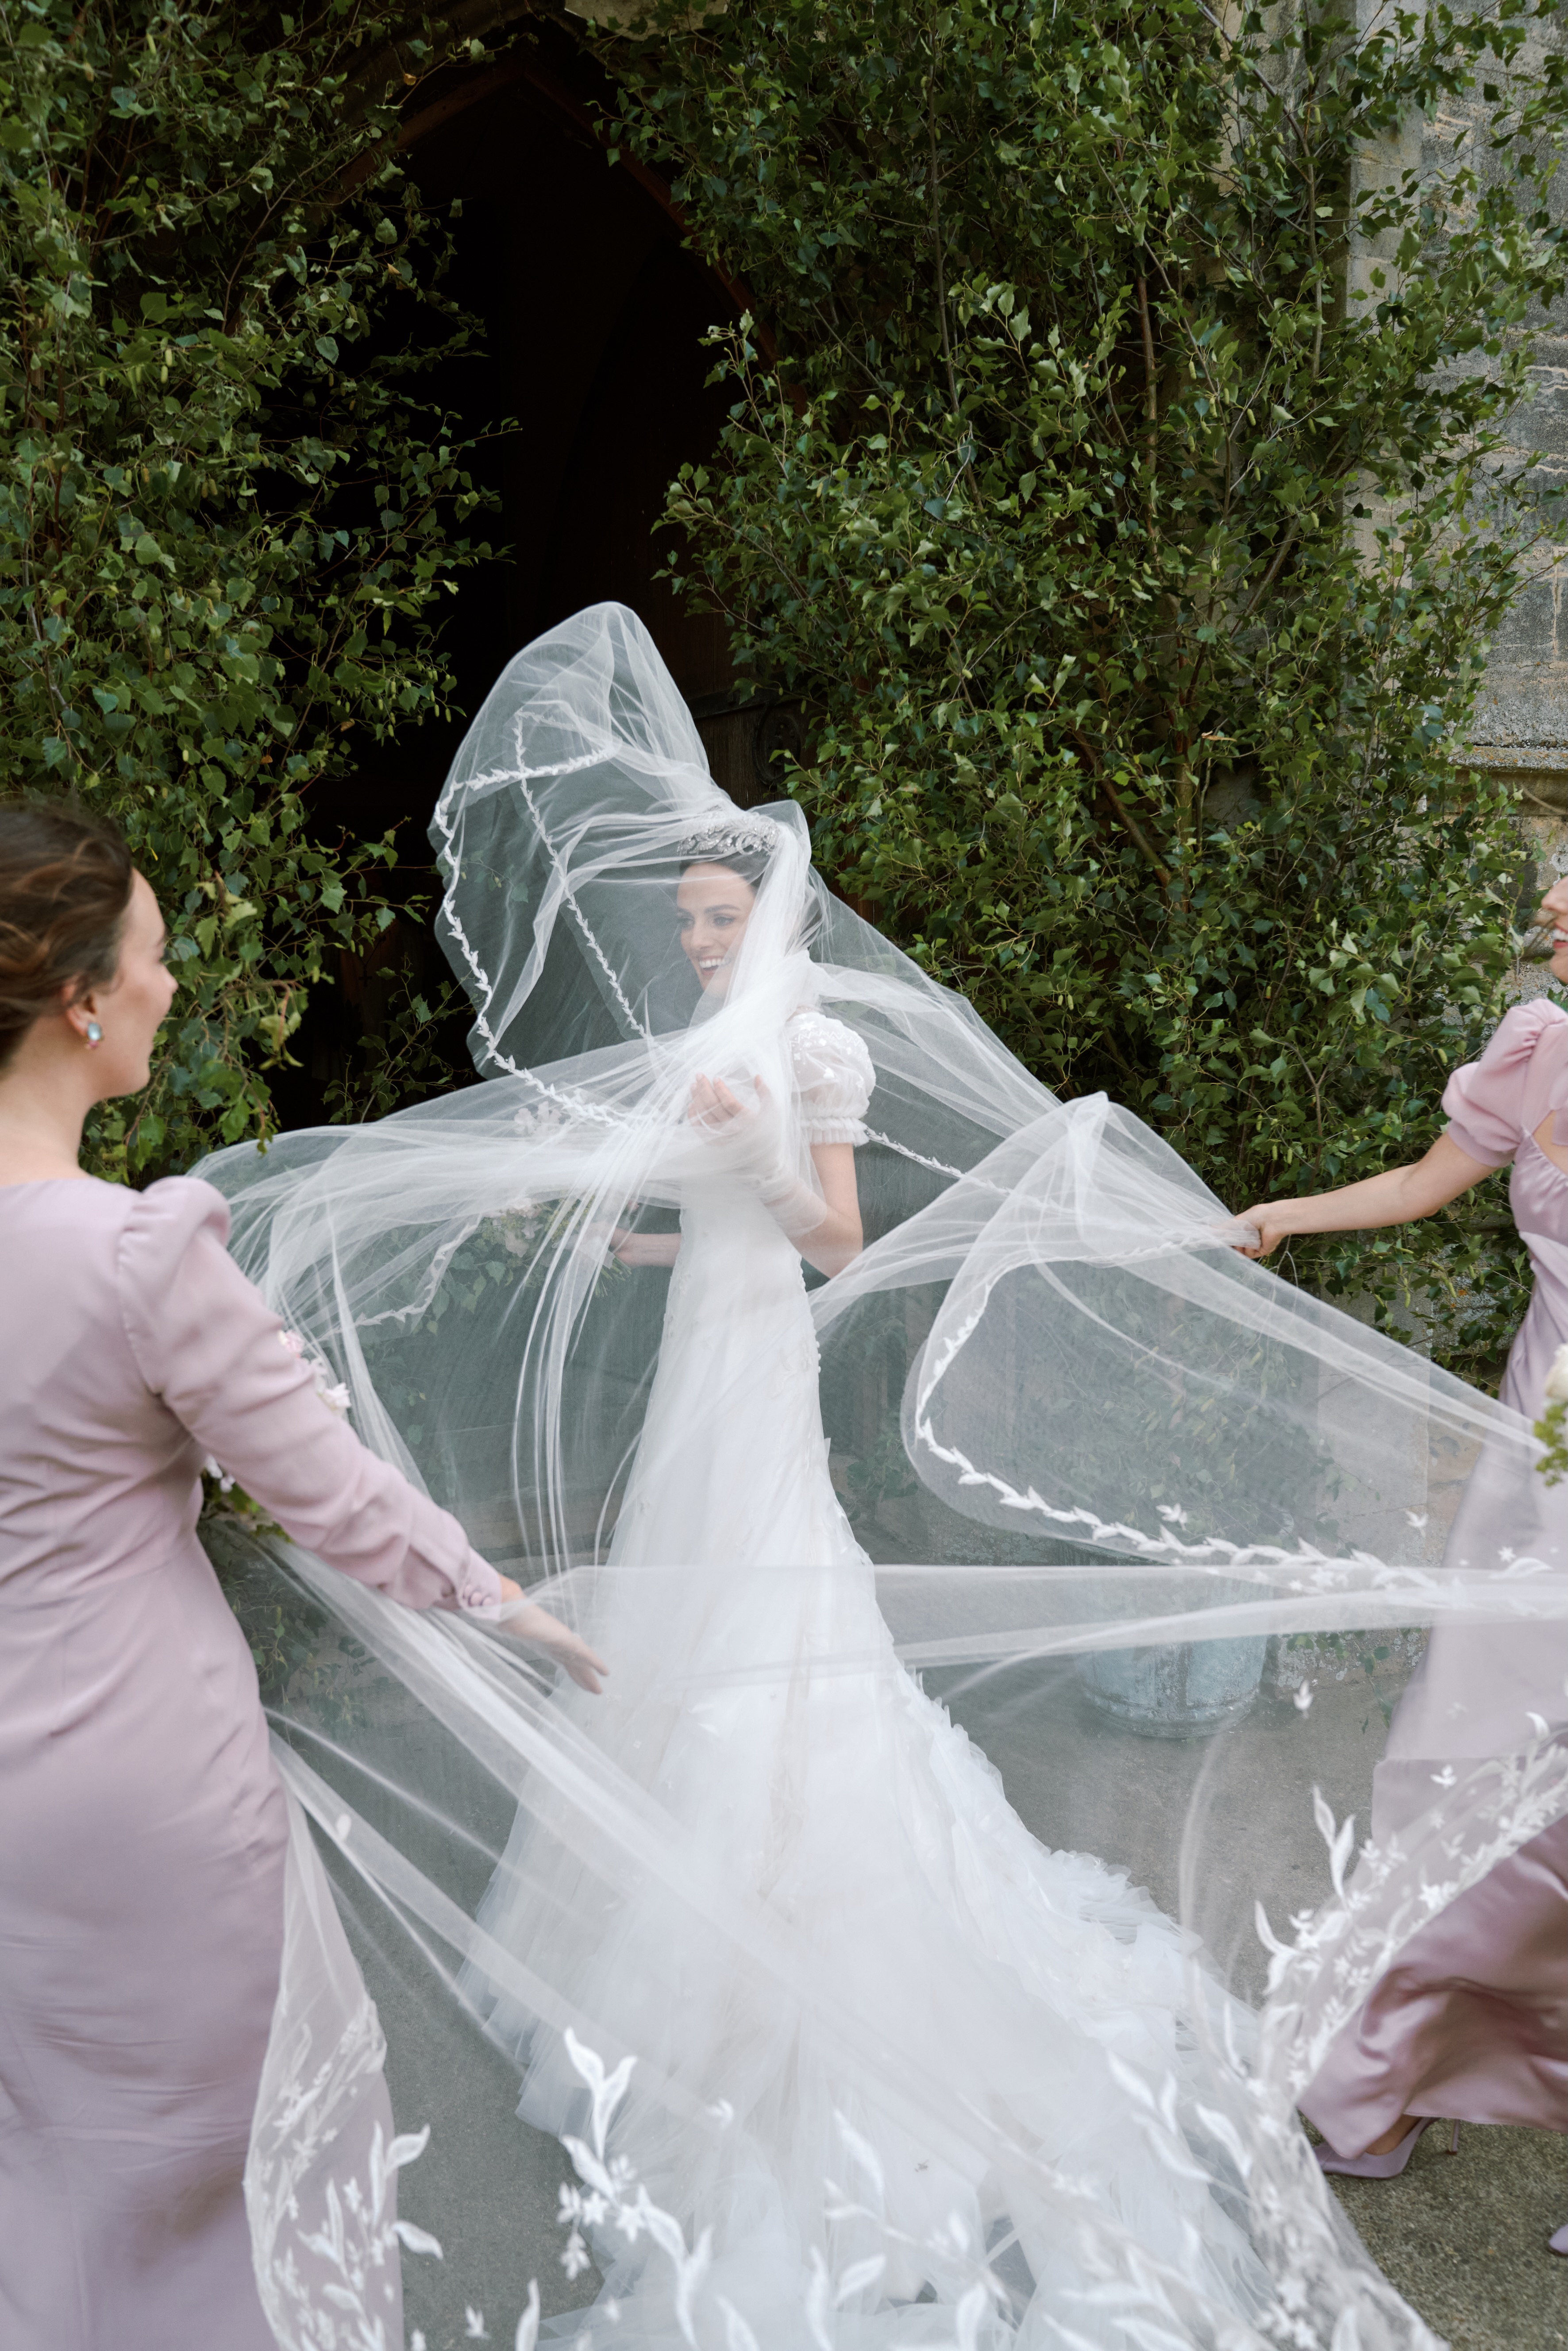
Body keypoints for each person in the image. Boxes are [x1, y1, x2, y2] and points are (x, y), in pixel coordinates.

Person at [196, 605, 1566, 2347]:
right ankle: (671, 1907)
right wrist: (611, 1221)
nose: (695, 939)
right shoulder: (714, 1051)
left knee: (781, 1611)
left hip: (762, 1362)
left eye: (716, 914)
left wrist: (741, 1157)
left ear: (765, 916)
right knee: (687, 1608)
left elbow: (832, 1235)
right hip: (702, 1349)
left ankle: (818, 1932)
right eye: (681, 918)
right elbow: (709, 1212)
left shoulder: (815, 1050)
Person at [0, 799, 605, 2351]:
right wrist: (515, 1606)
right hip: (149, 1794)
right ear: (79, 997)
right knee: (242, 2174)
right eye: (152, 957)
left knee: (45, 2187)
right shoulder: (136, 1260)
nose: (173, 987)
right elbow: (331, 1494)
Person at [1234, 883, 1568, 2228]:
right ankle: (1387, 2080)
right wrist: (1286, 1215)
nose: (1554, 892)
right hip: (1533, 1457)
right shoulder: (1539, 1039)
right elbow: (1432, 1184)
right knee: (1467, 1761)